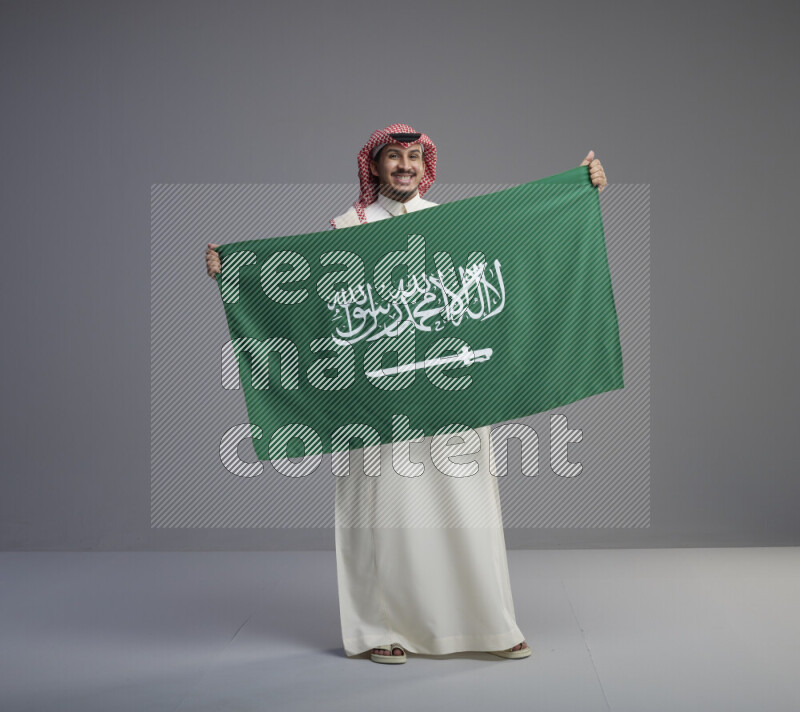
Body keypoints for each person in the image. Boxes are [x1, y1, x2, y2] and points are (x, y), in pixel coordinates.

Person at [205, 123, 607, 664]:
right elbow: (307, 301)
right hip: (375, 404)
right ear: (373, 167)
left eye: (414, 157)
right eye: (393, 157)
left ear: (426, 164)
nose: (404, 166)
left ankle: (491, 625)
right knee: (381, 522)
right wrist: (236, 277)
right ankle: (379, 630)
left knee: (468, 513)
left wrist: (579, 194)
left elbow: (523, 251)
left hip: (450, 395)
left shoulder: (451, 225)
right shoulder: (347, 228)